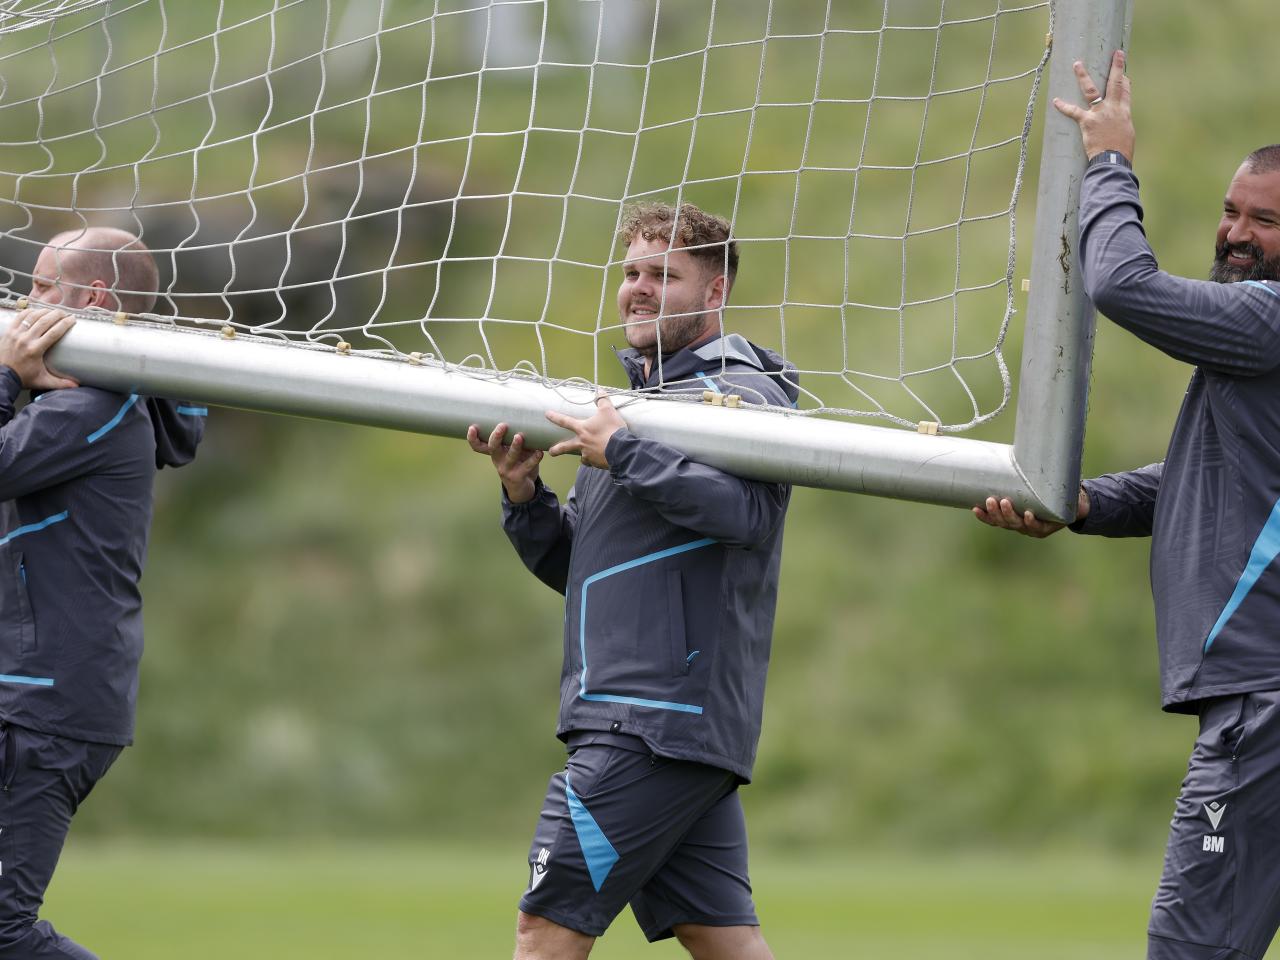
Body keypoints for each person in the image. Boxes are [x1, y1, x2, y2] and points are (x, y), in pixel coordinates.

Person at [975, 50, 1280, 960]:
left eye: (1266, 222)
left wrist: (1109, 162)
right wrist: (1080, 504)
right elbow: (1219, 484)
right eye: (1230, 211)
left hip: (1263, 706)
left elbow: (1121, 286)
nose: (1236, 234)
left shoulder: (1268, 321)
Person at [466, 201, 798, 960]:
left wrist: (627, 455)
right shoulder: (635, 409)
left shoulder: (742, 394)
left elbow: (748, 516)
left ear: (713, 293)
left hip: (649, 721)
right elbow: (583, 567)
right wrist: (525, 498)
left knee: (542, 931)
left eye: (664, 275)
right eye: (632, 273)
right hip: (653, 724)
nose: (639, 289)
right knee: (724, 941)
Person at [0, 227, 205, 959]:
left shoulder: (90, 409)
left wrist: (7, 379)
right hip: (41, 696)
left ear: (90, 299)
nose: (25, 305)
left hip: (42, 706)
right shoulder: (104, 402)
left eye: (41, 288)